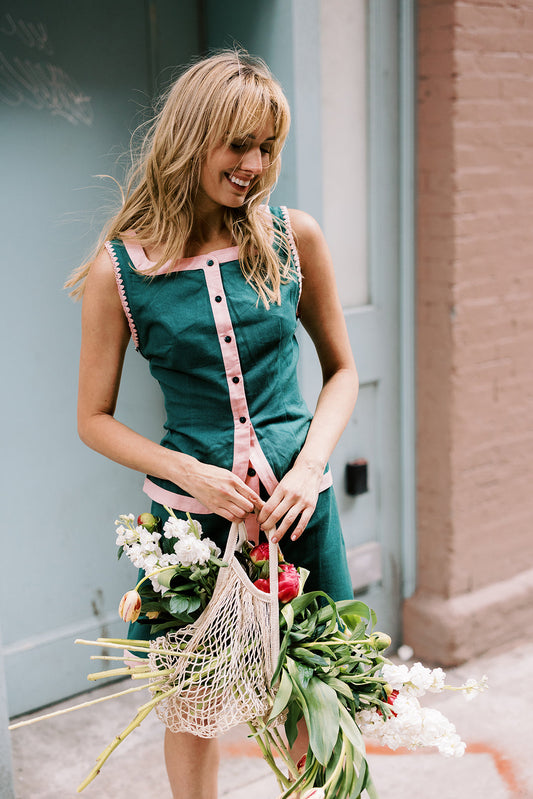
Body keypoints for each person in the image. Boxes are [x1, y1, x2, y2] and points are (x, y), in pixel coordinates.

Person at [68, 50, 358, 799]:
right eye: (237, 146)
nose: (254, 165)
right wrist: (185, 471)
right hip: (192, 525)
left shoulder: (296, 238)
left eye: (266, 148)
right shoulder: (121, 271)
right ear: (192, 138)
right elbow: (92, 420)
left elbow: (341, 373)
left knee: (316, 693)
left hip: (299, 509)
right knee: (192, 704)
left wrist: (308, 466)